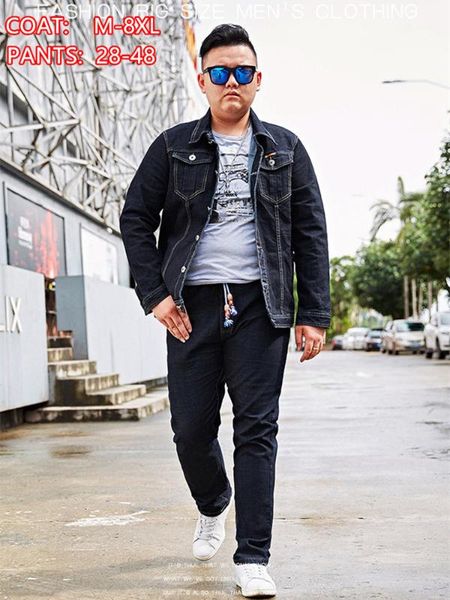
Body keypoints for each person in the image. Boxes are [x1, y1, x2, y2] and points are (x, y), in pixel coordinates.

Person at [119, 23, 331, 599]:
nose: (231, 81)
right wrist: (155, 295)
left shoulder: (286, 148)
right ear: (203, 80)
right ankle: (213, 502)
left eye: (241, 72)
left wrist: (314, 312)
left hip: (262, 305)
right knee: (190, 429)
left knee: (257, 428)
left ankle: (254, 557)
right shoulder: (172, 146)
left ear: (258, 80)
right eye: (219, 72)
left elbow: (310, 232)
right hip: (191, 306)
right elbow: (135, 219)